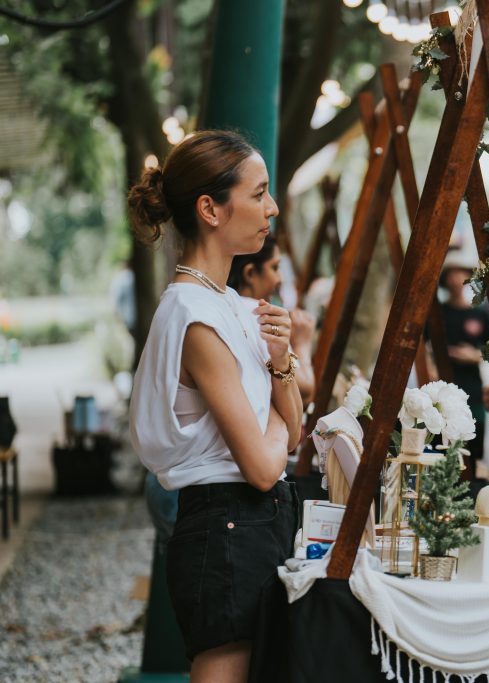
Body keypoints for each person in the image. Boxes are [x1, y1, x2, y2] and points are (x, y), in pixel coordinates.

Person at [127, 130, 303, 682]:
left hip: (254, 522)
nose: (271, 208)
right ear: (210, 209)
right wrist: (278, 416)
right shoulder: (194, 316)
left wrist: (279, 362)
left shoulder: (232, 304)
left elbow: (292, 434)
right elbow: (260, 465)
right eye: (259, 193)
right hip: (225, 526)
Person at [228, 234, 316, 404]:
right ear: (250, 273)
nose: (280, 278)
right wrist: (302, 344)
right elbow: (305, 391)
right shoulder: (260, 317)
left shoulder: (227, 309)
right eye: (275, 268)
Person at [438, 251, 489, 475]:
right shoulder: (438, 314)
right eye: (451, 274)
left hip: (473, 386)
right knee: (445, 441)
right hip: (443, 386)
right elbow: (425, 347)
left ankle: (474, 483)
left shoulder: (479, 313)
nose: (455, 279)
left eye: (460, 272)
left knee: (475, 438)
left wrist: (475, 355)